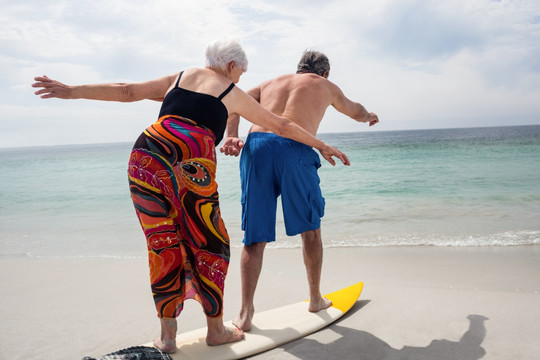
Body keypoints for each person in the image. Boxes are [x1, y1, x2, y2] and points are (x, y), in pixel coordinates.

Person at [32, 40, 350, 354]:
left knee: (163, 241)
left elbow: (125, 90)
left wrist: (71, 90)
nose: (239, 78)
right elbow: (280, 124)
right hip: (190, 158)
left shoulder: (180, 78)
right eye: (240, 72)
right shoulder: (230, 90)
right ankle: (215, 330)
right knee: (209, 241)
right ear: (231, 66)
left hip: (147, 151)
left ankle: (168, 337)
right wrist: (322, 145)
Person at [220, 50, 379, 331]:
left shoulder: (270, 83)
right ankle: (315, 299)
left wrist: (231, 135)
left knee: (254, 236)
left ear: (298, 69)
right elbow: (354, 110)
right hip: (295, 146)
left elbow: (233, 102)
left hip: (256, 146)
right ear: (325, 73)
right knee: (310, 228)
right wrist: (369, 115)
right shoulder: (325, 86)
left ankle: (245, 314)